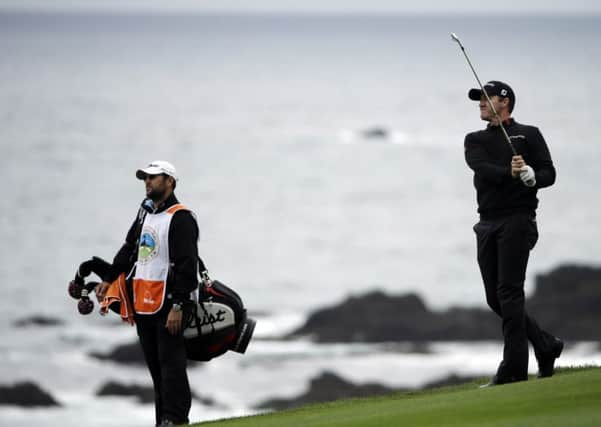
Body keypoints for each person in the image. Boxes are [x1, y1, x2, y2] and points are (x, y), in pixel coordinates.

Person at [464, 81, 564, 386]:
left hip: (518, 220)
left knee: (509, 292)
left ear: (504, 101)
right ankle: (546, 345)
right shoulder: (474, 139)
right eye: (478, 98)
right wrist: (509, 171)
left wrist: (532, 176)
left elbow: (549, 173)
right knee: (496, 297)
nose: (480, 102)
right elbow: (481, 167)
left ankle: (514, 369)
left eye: (485, 97)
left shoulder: (529, 134)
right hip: (487, 223)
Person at [95, 160, 206, 426]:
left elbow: (188, 266)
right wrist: (108, 279)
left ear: (170, 182)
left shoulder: (181, 217)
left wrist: (178, 306)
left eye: (154, 178)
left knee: (172, 366)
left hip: (171, 304)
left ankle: (176, 419)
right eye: (145, 178)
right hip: (144, 303)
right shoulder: (145, 213)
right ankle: (162, 421)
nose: (148, 182)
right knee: (157, 369)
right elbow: (129, 249)